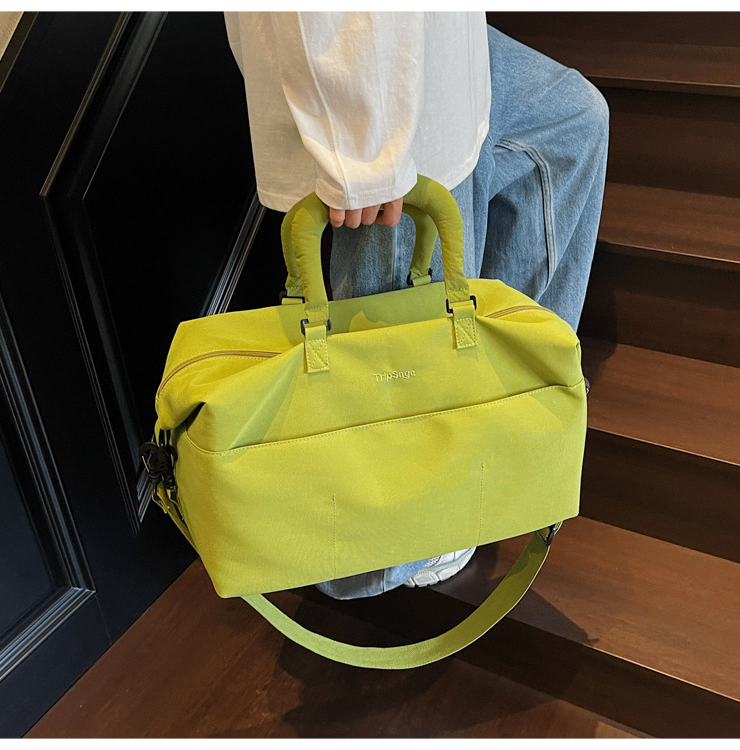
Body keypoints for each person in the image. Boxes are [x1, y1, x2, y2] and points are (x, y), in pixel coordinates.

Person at [223, 11, 609, 599]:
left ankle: (499, 418)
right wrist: (360, 147)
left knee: (572, 120)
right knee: (391, 302)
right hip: (365, 52)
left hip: (436, 31)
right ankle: (389, 548)